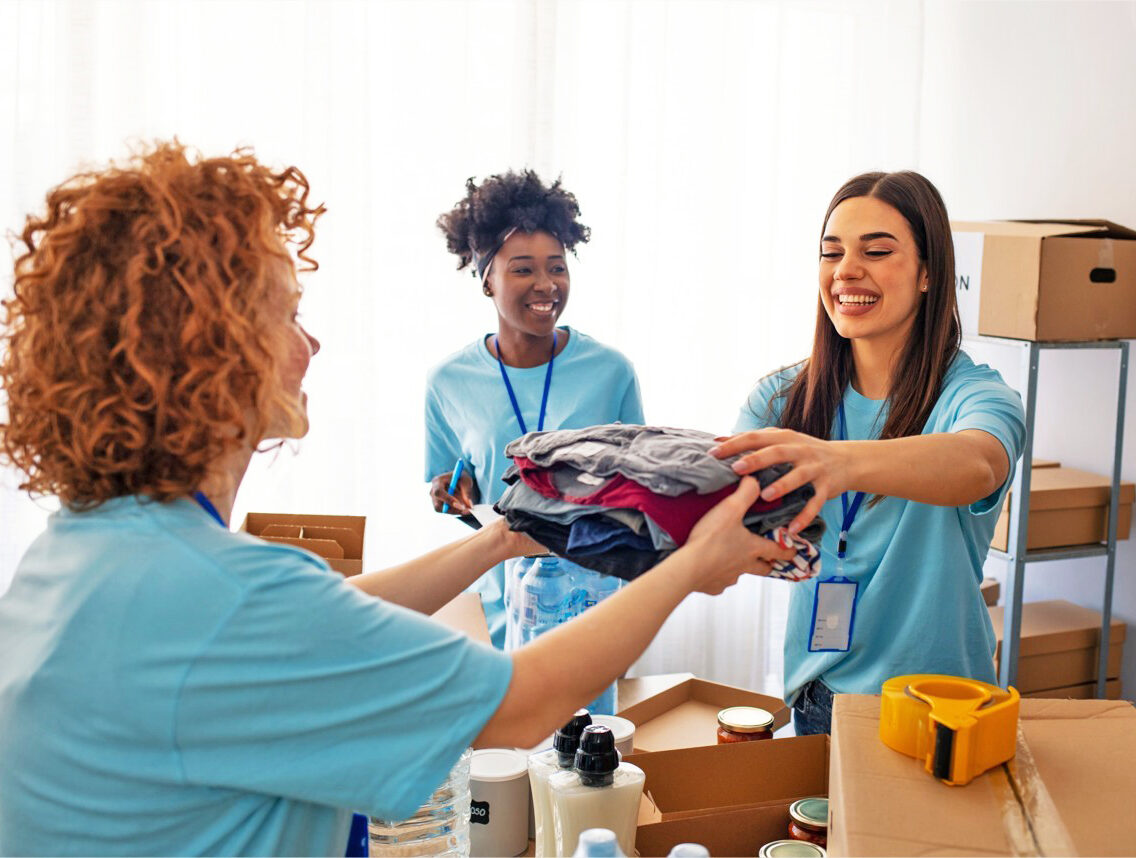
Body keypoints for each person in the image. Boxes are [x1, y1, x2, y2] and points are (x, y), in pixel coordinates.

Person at [0, 142, 795, 856]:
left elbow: (324, 608)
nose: (312, 345)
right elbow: (519, 705)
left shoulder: (91, 549)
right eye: (289, 315)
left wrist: (501, 539)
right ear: (212, 352)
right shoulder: (222, 595)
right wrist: (693, 565)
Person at [712, 171, 1026, 736]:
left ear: (930, 273)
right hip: (817, 700)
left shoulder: (977, 396)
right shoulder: (781, 398)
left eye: (876, 251)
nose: (846, 271)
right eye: (831, 253)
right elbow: (720, 509)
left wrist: (837, 462)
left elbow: (978, 464)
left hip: (940, 709)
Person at [426, 170, 644, 648]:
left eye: (557, 267)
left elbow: (640, 495)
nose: (546, 285)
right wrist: (450, 492)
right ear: (487, 280)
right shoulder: (448, 382)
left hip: (592, 610)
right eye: (523, 269)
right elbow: (451, 486)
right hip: (493, 614)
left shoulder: (611, 372)